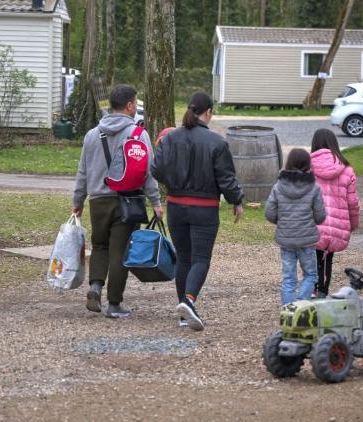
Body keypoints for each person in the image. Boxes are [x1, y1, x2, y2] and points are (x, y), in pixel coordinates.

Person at [152, 92, 244, 331]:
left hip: (176, 206)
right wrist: (237, 201)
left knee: (184, 258)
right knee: (200, 258)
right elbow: (226, 179)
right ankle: (189, 302)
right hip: (204, 209)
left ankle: (184, 313)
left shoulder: (170, 139)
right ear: (208, 113)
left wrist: (172, 182)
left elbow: (156, 169)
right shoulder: (217, 143)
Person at [72, 84, 162, 318]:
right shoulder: (138, 134)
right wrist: (156, 201)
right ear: (130, 105)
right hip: (127, 201)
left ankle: (95, 286)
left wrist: (78, 199)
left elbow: (82, 171)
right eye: (136, 102)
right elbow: (148, 172)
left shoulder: (92, 134)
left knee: (100, 245)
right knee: (120, 252)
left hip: (98, 201)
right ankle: (114, 304)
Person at [265, 148, 327, 305]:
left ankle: (288, 311)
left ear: (289, 163)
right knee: (311, 275)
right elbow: (320, 217)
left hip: (286, 241)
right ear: (307, 165)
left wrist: (283, 222)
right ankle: (300, 305)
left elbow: (269, 213)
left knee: (288, 279)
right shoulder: (314, 187)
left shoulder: (278, 186)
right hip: (307, 241)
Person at [309, 128, 360, 297]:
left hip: (313, 224)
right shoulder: (347, 169)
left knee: (312, 258)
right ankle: (322, 293)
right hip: (336, 225)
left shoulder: (307, 167)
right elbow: (352, 202)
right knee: (327, 258)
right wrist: (352, 224)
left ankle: (312, 291)